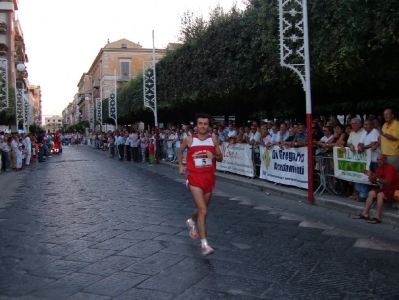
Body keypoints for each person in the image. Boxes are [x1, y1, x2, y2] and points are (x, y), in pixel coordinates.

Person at [178, 113, 223, 256]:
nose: (203, 126)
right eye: (200, 124)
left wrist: (214, 156)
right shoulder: (189, 139)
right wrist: (180, 165)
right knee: (203, 210)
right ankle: (205, 245)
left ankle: (191, 222)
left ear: (209, 126)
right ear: (196, 125)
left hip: (209, 178)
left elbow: (220, 158)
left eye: (205, 124)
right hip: (195, 178)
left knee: (201, 208)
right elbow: (180, 151)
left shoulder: (214, 140)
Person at [353, 154, 399, 224]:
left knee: (380, 195)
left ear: (385, 161)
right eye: (377, 160)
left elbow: (388, 182)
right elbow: (375, 181)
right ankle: (365, 213)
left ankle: (377, 217)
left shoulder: (390, 168)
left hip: (395, 191)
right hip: (386, 190)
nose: (378, 161)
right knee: (371, 193)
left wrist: (376, 179)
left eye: (380, 160)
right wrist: (371, 176)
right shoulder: (378, 169)